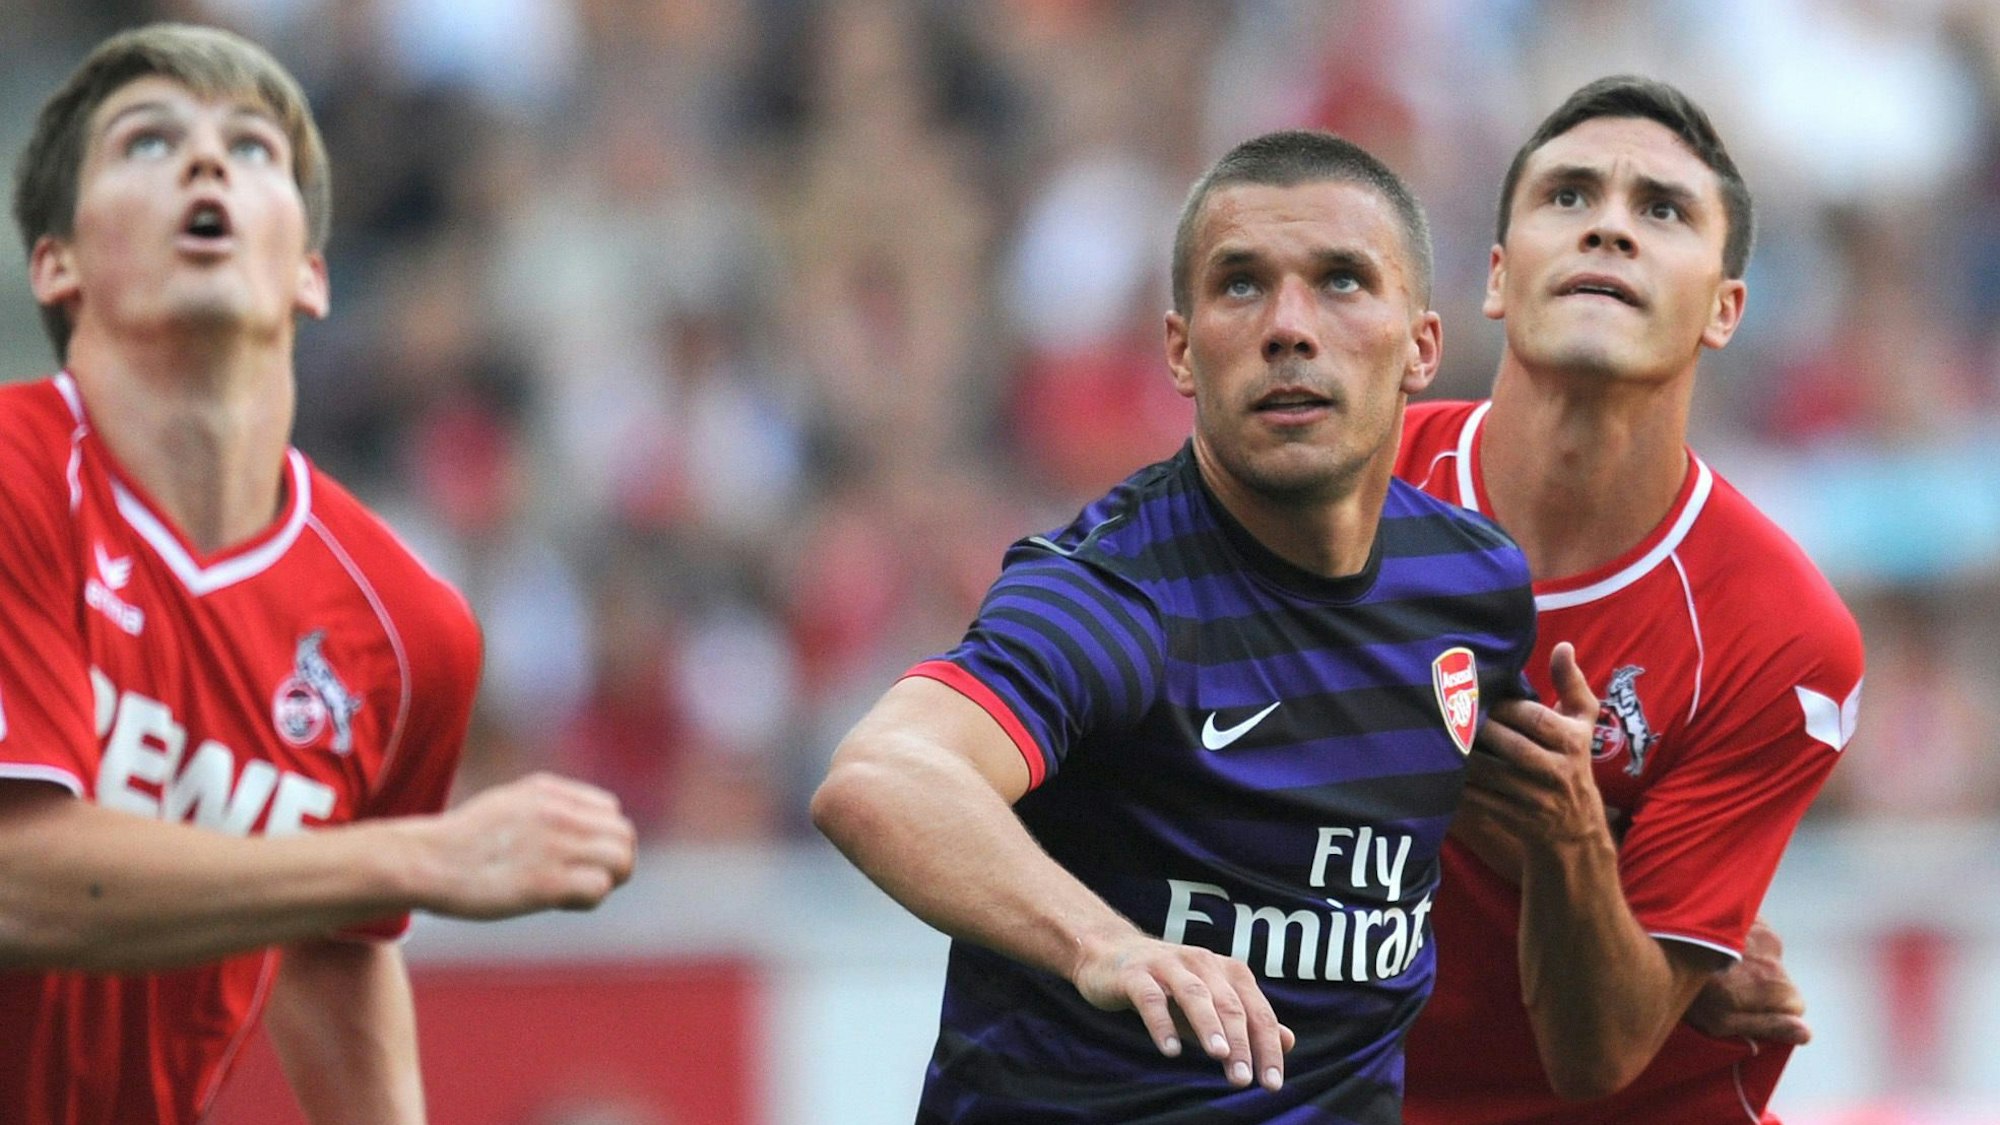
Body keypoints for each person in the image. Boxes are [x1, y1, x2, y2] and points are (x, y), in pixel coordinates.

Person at [813, 129, 1540, 1122]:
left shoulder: (1473, 590)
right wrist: (1103, 944)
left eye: (1338, 282)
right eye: (1240, 285)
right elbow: (879, 778)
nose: (1288, 325)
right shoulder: (1115, 595)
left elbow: (1533, 871)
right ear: (1179, 349)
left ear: (1420, 346)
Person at [0, 23, 637, 1125]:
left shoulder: (407, 628)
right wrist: (412, 856)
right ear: (56, 260)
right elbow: (16, 884)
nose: (207, 163)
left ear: (310, 272)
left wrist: (382, 873)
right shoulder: (14, 480)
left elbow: (333, 952)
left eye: (252, 149)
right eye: (147, 143)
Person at [1391, 75, 1866, 1124]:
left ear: (1722, 309)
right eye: (1567, 196)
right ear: (1496, 278)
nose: (1608, 225)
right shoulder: (1341, 492)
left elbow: (1599, 1048)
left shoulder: (1779, 634)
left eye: (1660, 210)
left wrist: (1572, 843)